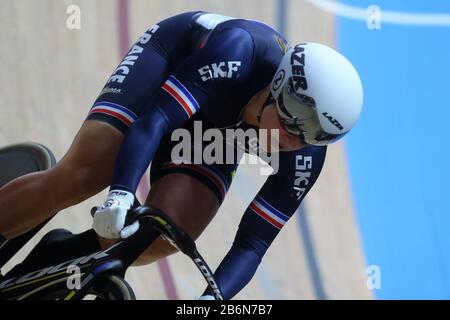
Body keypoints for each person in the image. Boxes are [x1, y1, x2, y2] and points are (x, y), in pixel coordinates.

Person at [0, 12, 363, 299]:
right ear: (276, 88)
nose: (291, 140)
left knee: (163, 233)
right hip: (173, 65)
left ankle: (54, 262)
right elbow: (155, 120)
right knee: (87, 174)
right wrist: (121, 192)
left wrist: (214, 299)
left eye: (310, 137)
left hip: (219, 130)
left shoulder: (305, 155)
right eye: (289, 123)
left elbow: (253, 242)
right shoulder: (239, 51)